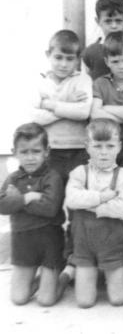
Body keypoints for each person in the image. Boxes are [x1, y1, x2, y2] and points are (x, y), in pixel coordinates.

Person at [64, 119, 123, 308]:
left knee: (118, 300)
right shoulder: (80, 172)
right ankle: (76, 270)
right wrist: (102, 197)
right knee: (84, 302)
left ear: (119, 147)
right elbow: (72, 199)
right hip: (84, 246)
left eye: (110, 146)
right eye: (97, 146)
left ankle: (109, 274)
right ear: (87, 146)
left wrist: (89, 204)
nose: (104, 152)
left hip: (112, 245)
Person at [0, 123, 64, 306]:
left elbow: (50, 208)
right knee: (19, 298)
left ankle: (65, 275)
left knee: (46, 300)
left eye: (36, 151)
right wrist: (27, 197)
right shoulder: (13, 178)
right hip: (23, 242)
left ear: (46, 151)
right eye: (24, 152)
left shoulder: (52, 177)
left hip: (49, 240)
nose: (30, 158)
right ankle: (41, 280)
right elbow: (2, 206)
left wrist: (16, 201)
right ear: (14, 152)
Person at [32, 30, 92, 184]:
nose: (63, 64)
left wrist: (49, 104)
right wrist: (69, 104)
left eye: (70, 59)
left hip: (79, 149)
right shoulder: (40, 82)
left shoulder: (83, 80)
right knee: (53, 191)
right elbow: (35, 117)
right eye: (58, 57)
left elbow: (83, 112)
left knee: (77, 191)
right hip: (50, 149)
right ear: (48, 55)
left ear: (78, 59)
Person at [90, 31, 123, 167]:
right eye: (115, 61)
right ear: (107, 62)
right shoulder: (100, 83)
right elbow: (95, 114)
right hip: (104, 141)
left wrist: (105, 108)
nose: (121, 66)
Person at [82, 0, 123, 80]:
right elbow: (84, 80)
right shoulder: (91, 52)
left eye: (118, 21)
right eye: (108, 21)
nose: (114, 26)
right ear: (98, 21)